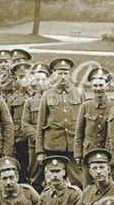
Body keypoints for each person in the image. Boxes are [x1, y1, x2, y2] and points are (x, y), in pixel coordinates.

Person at [35, 58, 84, 186]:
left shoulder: (79, 93)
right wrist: (40, 151)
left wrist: (82, 147)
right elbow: (40, 125)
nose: (63, 77)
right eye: (59, 73)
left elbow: (85, 123)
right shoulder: (47, 95)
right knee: (53, 181)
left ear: (70, 74)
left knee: (77, 181)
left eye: (66, 73)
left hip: (74, 146)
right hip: (53, 146)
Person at [74, 68, 110, 177]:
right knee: (88, 184)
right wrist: (77, 154)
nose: (98, 89)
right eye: (95, 86)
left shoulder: (113, 105)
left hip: (106, 151)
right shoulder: (86, 105)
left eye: (101, 85)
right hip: (88, 151)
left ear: (107, 85)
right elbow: (79, 132)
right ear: (91, 86)